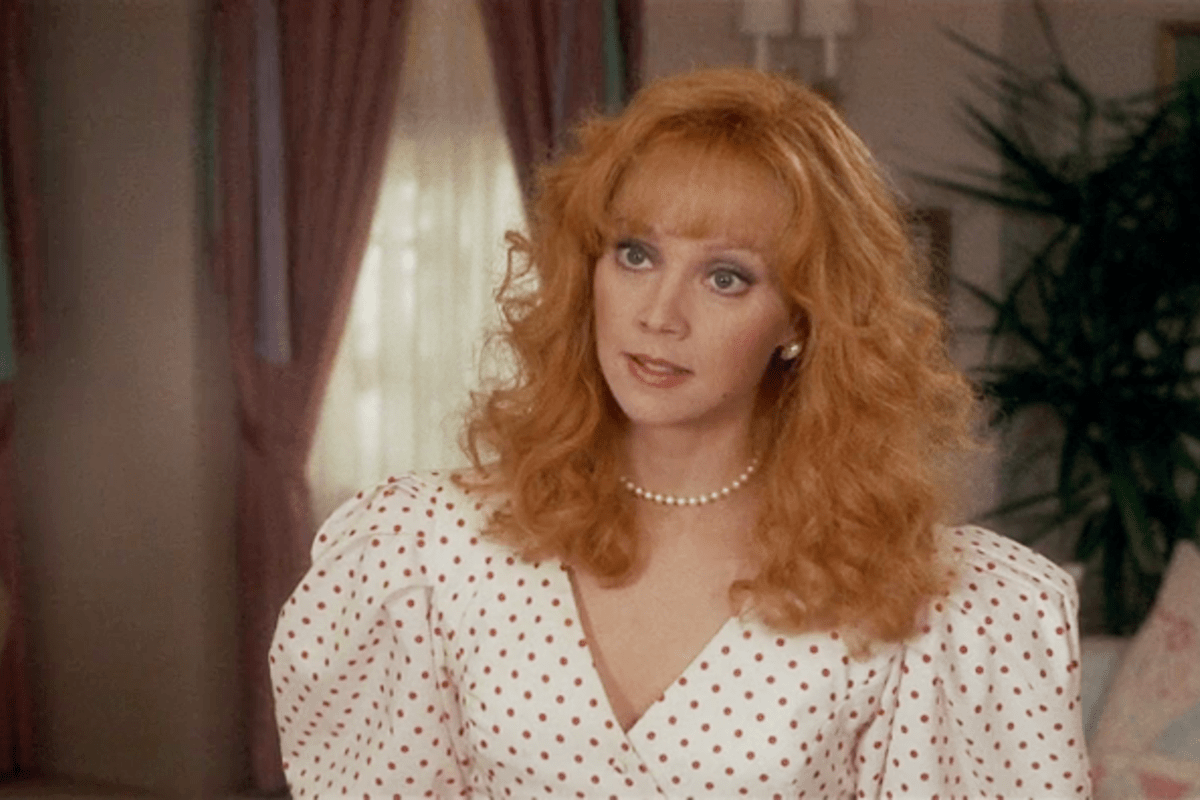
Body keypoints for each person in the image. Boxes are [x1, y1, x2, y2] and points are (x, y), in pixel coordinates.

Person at [270, 68, 1089, 798]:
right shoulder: (428, 551)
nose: (659, 314)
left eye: (725, 277)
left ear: (801, 320)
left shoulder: (937, 607)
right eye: (635, 254)